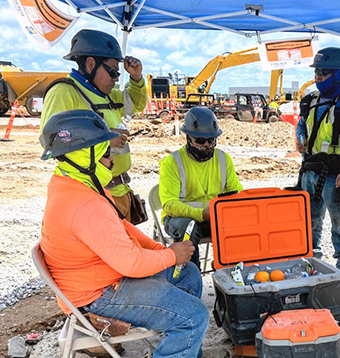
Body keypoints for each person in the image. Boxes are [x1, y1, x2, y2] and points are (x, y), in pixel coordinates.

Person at [40, 109, 208, 358]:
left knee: (189, 273)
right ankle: (181, 328)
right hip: (99, 296)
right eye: (106, 153)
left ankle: (181, 342)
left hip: (106, 280)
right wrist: (171, 256)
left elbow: (123, 226)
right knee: (194, 316)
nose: (111, 160)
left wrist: (160, 251)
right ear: (86, 156)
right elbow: (131, 263)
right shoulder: (85, 204)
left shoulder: (74, 185)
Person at [40, 29, 147, 221]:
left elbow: (136, 104)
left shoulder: (106, 93)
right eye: (113, 71)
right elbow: (52, 141)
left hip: (118, 190)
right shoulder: (64, 92)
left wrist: (137, 78)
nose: (116, 77)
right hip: (92, 194)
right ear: (90, 64)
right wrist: (104, 138)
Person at [295, 47, 340, 287]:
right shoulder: (310, 100)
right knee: (310, 219)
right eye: (317, 72)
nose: (318, 77)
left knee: (339, 221)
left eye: (324, 72)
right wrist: (300, 137)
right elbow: (301, 124)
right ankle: (311, 260)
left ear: (339, 74)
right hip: (311, 169)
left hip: (336, 173)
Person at [159, 107, 243, 269]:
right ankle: (191, 278)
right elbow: (169, 204)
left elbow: (237, 194)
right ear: (188, 138)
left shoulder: (223, 159)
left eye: (211, 140)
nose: (206, 145)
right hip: (180, 220)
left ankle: (230, 273)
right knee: (187, 227)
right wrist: (201, 214)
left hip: (214, 218)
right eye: (200, 140)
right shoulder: (173, 162)